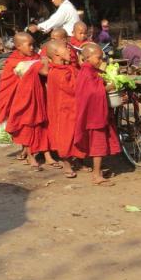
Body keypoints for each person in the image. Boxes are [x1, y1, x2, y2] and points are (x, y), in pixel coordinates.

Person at [74, 43, 120, 186]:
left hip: (95, 113)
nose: (101, 60)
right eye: (98, 58)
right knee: (97, 144)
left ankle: (98, 171)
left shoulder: (91, 70)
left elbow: (95, 85)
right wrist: (109, 87)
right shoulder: (87, 72)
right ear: (87, 58)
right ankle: (96, 175)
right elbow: (92, 92)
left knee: (99, 143)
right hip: (94, 116)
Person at [6, 36, 54, 171]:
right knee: (27, 125)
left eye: (33, 45)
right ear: (18, 46)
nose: (32, 48)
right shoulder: (13, 61)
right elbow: (9, 83)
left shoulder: (37, 57)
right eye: (29, 45)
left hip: (39, 96)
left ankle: (47, 154)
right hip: (24, 98)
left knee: (43, 123)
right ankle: (30, 155)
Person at [46, 40, 85, 179]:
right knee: (65, 136)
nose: (69, 50)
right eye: (65, 48)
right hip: (63, 111)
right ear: (56, 53)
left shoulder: (67, 68)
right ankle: (66, 164)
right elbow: (74, 88)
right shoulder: (57, 72)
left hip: (73, 108)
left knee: (77, 134)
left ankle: (80, 160)